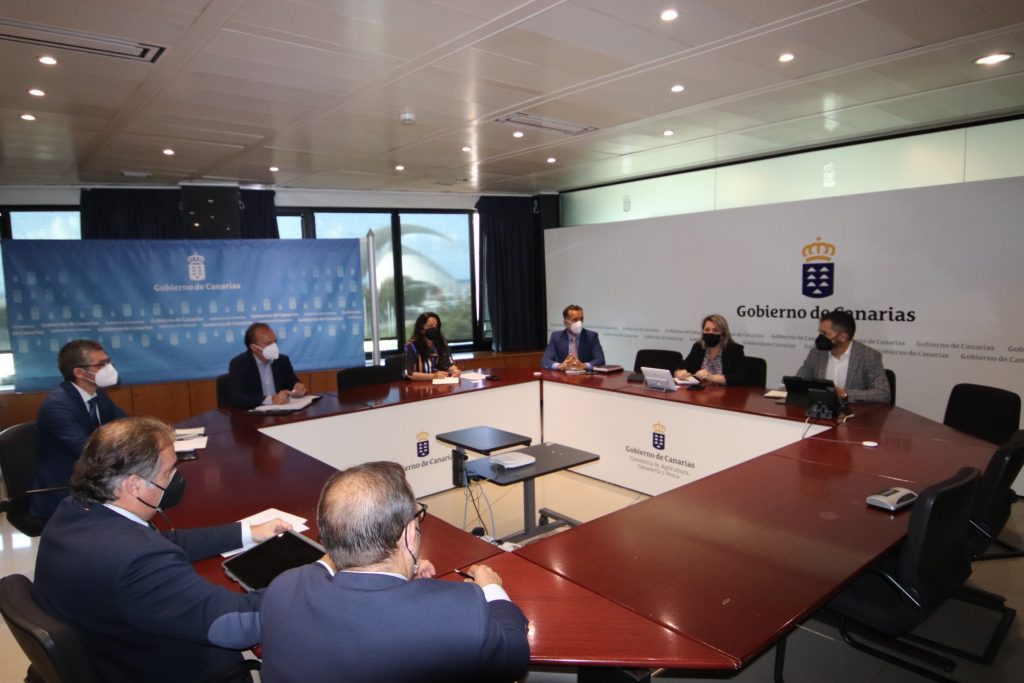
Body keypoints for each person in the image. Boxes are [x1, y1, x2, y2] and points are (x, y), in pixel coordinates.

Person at [31, 417, 292, 683]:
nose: (175, 479)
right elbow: (239, 624)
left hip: (108, 650)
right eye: (168, 473)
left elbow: (164, 542)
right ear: (133, 485)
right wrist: (315, 578)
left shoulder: (74, 510)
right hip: (153, 667)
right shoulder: (136, 559)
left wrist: (247, 532)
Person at [259, 461, 530, 683]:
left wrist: (406, 576)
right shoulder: (458, 609)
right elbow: (514, 659)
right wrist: (492, 591)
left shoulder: (285, 587)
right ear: (410, 534)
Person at [31, 339, 128, 519]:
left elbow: (128, 424)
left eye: (108, 362)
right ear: (79, 372)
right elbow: (88, 452)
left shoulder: (97, 395)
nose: (109, 368)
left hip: (94, 479)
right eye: (101, 364)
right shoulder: (58, 406)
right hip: (65, 490)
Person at [795, 310, 891, 403]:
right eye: (820, 333)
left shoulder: (868, 356)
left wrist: (845, 394)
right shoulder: (817, 353)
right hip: (821, 410)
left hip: (854, 414)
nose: (820, 338)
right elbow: (800, 380)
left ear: (842, 337)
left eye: (825, 334)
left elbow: (883, 393)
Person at [227, 322, 307, 408]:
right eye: (268, 343)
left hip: (282, 412)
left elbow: (293, 385)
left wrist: (298, 390)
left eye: (275, 342)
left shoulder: (282, 360)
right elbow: (237, 398)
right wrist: (271, 399)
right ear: (254, 348)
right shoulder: (239, 363)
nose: (274, 346)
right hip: (254, 416)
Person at [674, 314, 749, 385]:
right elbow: (683, 366)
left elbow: (740, 378)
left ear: (723, 334)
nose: (710, 333)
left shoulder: (734, 350)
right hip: (700, 394)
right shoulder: (698, 347)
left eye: (715, 330)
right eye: (707, 330)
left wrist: (712, 377)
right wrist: (678, 373)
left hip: (724, 394)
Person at [542, 304, 605, 371]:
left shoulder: (591, 336)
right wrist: (560, 366)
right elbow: (545, 361)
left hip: (585, 377)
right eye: (575, 320)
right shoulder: (556, 336)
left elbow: (600, 360)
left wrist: (584, 365)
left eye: (581, 319)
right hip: (563, 377)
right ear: (566, 322)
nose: (579, 323)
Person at [404, 312, 461, 380]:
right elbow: (408, 373)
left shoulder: (442, 344)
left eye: (436, 326)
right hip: (418, 387)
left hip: (440, 386)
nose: (434, 328)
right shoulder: (411, 346)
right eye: (430, 326)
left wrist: (454, 371)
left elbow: (449, 364)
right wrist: (433, 376)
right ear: (421, 329)